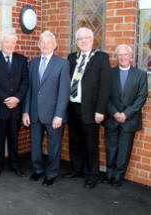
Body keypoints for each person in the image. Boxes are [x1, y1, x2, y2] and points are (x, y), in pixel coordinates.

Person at [64, 27, 111, 189]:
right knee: (75, 141)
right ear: (76, 42)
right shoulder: (71, 58)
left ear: (92, 39)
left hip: (91, 110)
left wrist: (100, 110)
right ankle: (77, 170)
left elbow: (105, 87)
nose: (83, 41)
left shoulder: (101, 58)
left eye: (86, 38)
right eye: (80, 39)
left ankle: (92, 175)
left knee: (91, 144)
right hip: (72, 107)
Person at [22, 30, 70, 186]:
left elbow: (64, 92)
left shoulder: (62, 64)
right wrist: (25, 111)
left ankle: (51, 173)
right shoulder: (32, 64)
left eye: (49, 42)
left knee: (53, 146)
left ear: (55, 45)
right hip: (35, 113)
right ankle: (38, 170)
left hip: (53, 115)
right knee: (35, 144)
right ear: (38, 45)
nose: (45, 45)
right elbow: (29, 89)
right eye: (42, 42)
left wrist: (59, 115)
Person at [103, 44, 148, 187]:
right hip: (112, 117)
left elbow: (142, 97)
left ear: (131, 56)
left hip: (129, 120)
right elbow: (105, 96)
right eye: (119, 55)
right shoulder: (110, 73)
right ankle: (109, 173)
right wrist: (115, 112)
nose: (122, 57)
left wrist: (126, 113)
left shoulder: (140, 75)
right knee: (111, 147)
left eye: (125, 54)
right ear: (117, 57)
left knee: (124, 149)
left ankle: (118, 176)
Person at [0, 32, 28, 178]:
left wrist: (16, 98)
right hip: (0, 107)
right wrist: (7, 98)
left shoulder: (22, 60)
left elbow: (25, 82)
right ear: (1, 43)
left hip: (16, 107)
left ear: (15, 44)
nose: (9, 45)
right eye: (7, 42)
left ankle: (15, 164)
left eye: (12, 42)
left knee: (14, 138)